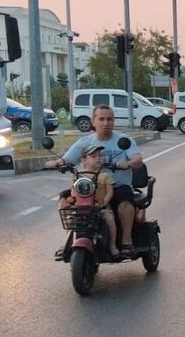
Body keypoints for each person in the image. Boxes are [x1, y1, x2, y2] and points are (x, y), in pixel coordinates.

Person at [46, 104, 145, 256]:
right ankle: (70, 237)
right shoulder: (84, 143)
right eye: (101, 119)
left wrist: (129, 163)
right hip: (89, 187)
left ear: (114, 121)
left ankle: (126, 241)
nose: (106, 123)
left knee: (125, 196)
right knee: (64, 198)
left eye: (110, 119)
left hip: (116, 186)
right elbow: (67, 160)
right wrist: (56, 163)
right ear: (93, 121)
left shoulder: (124, 140)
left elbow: (137, 159)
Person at [57, 144, 120, 256]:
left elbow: (110, 191)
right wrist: (72, 197)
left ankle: (112, 245)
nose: (98, 158)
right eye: (93, 156)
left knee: (109, 218)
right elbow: (73, 190)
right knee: (70, 220)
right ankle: (69, 242)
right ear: (84, 160)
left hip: (100, 207)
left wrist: (104, 202)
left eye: (100, 156)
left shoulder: (105, 175)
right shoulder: (78, 176)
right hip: (81, 208)